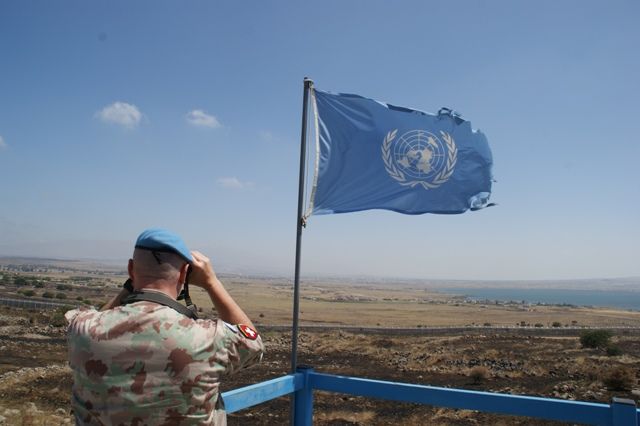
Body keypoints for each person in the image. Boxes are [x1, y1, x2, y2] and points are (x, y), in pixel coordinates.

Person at [65, 228, 264, 425]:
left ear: (130, 269)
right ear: (184, 274)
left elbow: (99, 316)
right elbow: (253, 344)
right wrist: (211, 282)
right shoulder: (208, 338)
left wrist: (130, 286)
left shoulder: (83, 329)